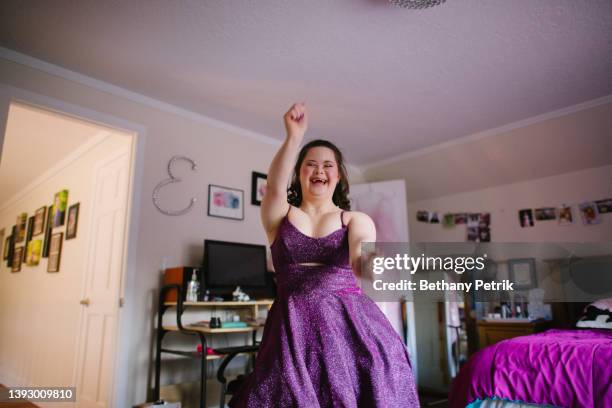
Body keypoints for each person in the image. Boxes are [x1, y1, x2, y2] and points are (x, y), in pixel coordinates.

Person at [228, 103, 419, 407]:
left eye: (328, 165)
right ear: (298, 173)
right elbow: (275, 188)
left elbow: (361, 260)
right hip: (292, 330)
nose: (319, 170)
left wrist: (374, 263)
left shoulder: (355, 220)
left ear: (340, 176)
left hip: (352, 330)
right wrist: (294, 137)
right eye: (311, 164)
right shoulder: (279, 215)